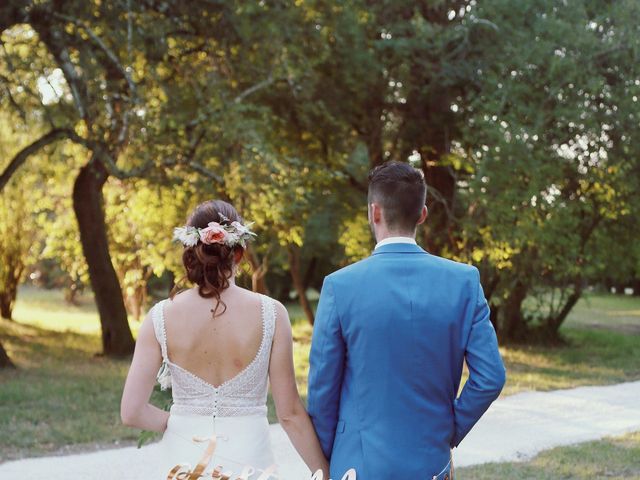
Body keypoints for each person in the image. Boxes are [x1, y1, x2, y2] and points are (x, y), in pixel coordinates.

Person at [307, 161, 506, 479]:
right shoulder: (464, 281)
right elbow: (490, 377)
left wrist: (334, 456)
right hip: (431, 462)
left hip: (356, 465)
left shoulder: (339, 286)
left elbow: (322, 394)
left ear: (374, 212)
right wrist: (449, 430)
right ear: (423, 214)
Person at [120, 200, 328, 478]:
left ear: (191, 251)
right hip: (249, 461)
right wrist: (324, 472)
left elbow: (131, 412)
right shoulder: (272, 314)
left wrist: (181, 421)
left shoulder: (160, 317)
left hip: (183, 460)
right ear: (239, 253)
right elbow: (289, 414)